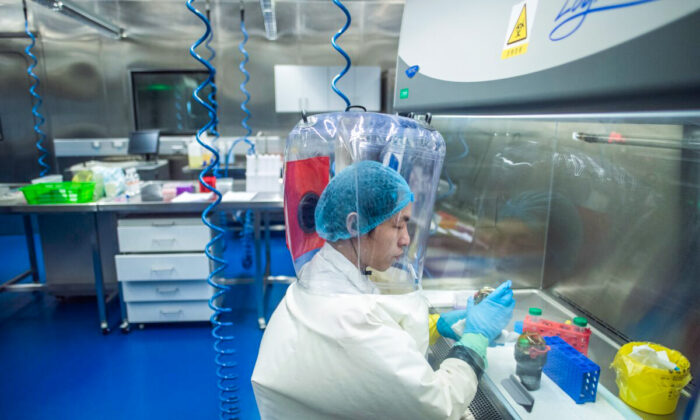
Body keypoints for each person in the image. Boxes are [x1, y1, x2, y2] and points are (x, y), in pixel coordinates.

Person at [252, 160, 515, 420]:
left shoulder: (323, 272)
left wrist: (432, 326)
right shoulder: (351, 319)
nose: (406, 239)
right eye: (398, 225)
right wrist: (474, 339)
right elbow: (439, 404)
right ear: (355, 226)